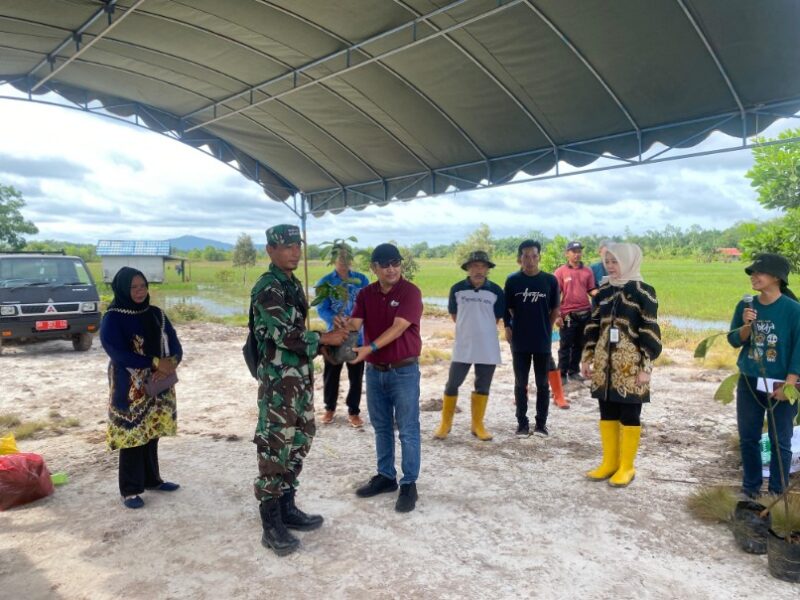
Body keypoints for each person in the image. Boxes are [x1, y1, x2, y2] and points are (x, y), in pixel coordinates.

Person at [251, 224, 348, 556]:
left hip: (299, 380)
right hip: (279, 385)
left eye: (297, 245)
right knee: (275, 448)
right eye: (286, 246)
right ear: (270, 250)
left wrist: (326, 339)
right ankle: (271, 524)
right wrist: (323, 338)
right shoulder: (268, 287)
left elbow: (296, 332)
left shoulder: (290, 283)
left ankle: (288, 506)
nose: (294, 251)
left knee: (300, 440)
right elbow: (282, 335)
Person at [347, 243, 423, 513]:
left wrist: (370, 347)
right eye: (385, 264)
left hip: (403, 371)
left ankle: (409, 483)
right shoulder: (365, 293)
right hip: (374, 372)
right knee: (381, 427)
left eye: (395, 263)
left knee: (408, 429)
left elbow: (399, 327)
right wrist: (341, 326)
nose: (391, 268)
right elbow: (354, 324)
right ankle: (386, 477)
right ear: (374, 268)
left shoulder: (410, 292)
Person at [100, 267, 182, 510]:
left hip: (158, 383)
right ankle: (130, 489)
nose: (140, 291)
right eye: (134, 287)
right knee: (132, 435)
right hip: (129, 386)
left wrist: (172, 362)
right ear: (123, 289)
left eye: (143, 286)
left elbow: (175, 342)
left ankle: (152, 480)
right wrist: (155, 362)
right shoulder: (113, 318)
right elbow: (117, 353)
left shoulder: (156, 313)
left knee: (152, 431)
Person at [581, 243, 662, 487]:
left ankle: (626, 466)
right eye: (608, 261)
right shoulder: (604, 290)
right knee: (606, 411)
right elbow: (594, 324)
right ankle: (609, 462)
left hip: (631, 365)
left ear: (629, 261)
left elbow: (650, 329)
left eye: (615, 261)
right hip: (604, 364)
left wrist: (646, 366)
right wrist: (587, 356)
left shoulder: (643, 292)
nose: (610, 266)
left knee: (629, 412)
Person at [726, 253, 800, 498]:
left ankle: (778, 492)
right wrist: (747, 325)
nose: (754, 277)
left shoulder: (793, 310)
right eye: (752, 273)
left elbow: (799, 350)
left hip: (782, 383)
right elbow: (734, 340)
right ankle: (751, 487)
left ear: (777, 278)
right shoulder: (745, 306)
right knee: (749, 437)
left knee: (781, 441)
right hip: (749, 379)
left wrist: (789, 385)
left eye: (760, 272)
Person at [433, 250, 505, 441]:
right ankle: (445, 424)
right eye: (474, 266)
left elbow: (497, 318)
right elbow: (455, 316)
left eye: (482, 266)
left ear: (488, 269)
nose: (478, 270)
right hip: (463, 345)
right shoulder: (456, 289)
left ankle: (477, 425)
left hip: (487, 346)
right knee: (452, 383)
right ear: (468, 268)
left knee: (483, 385)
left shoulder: (496, 291)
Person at [504, 240, 564, 438]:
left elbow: (555, 308)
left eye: (534, 256)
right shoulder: (513, 281)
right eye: (526, 256)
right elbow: (508, 308)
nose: (530, 260)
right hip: (520, 340)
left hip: (542, 340)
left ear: (539, 257)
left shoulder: (549, 281)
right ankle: (522, 423)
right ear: (520, 258)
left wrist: (546, 325)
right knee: (520, 383)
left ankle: (541, 424)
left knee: (542, 384)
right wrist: (509, 326)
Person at [315, 248, 370, 427]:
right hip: (334, 335)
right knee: (331, 374)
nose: (344, 261)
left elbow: (368, 303)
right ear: (333, 261)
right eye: (340, 258)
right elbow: (321, 308)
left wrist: (355, 319)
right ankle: (329, 408)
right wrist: (334, 318)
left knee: (356, 376)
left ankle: (353, 411)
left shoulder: (361, 280)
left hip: (357, 336)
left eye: (347, 258)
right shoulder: (326, 282)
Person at [554, 241, 596, 383]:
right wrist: (557, 316)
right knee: (565, 345)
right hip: (568, 315)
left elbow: (591, 290)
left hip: (585, 313)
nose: (577, 254)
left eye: (579, 251)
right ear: (567, 253)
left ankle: (573, 372)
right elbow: (555, 295)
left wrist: (605, 293)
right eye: (574, 251)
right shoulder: (560, 272)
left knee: (580, 345)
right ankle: (561, 374)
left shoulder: (587, 271)